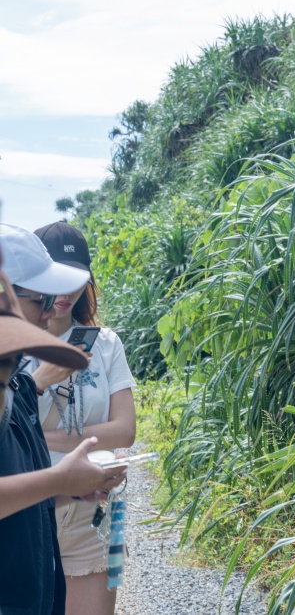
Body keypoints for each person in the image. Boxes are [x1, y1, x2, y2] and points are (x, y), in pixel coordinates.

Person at [0, 223, 126, 615]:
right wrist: (59, 480)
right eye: (41, 299)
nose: (48, 313)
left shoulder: (13, 388)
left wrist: (66, 490)